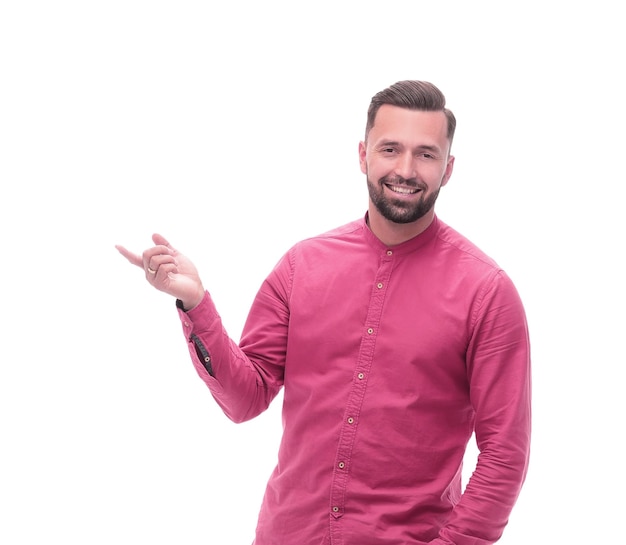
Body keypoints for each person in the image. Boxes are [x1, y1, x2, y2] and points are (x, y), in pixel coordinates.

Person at [116, 80, 531, 545]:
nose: (406, 169)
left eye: (426, 154)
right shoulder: (302, 265)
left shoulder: (487, 292)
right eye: (390, 149)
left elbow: (504, 455)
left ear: (449, 168)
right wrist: (195, 302)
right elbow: (245, 397)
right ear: (362, 155)